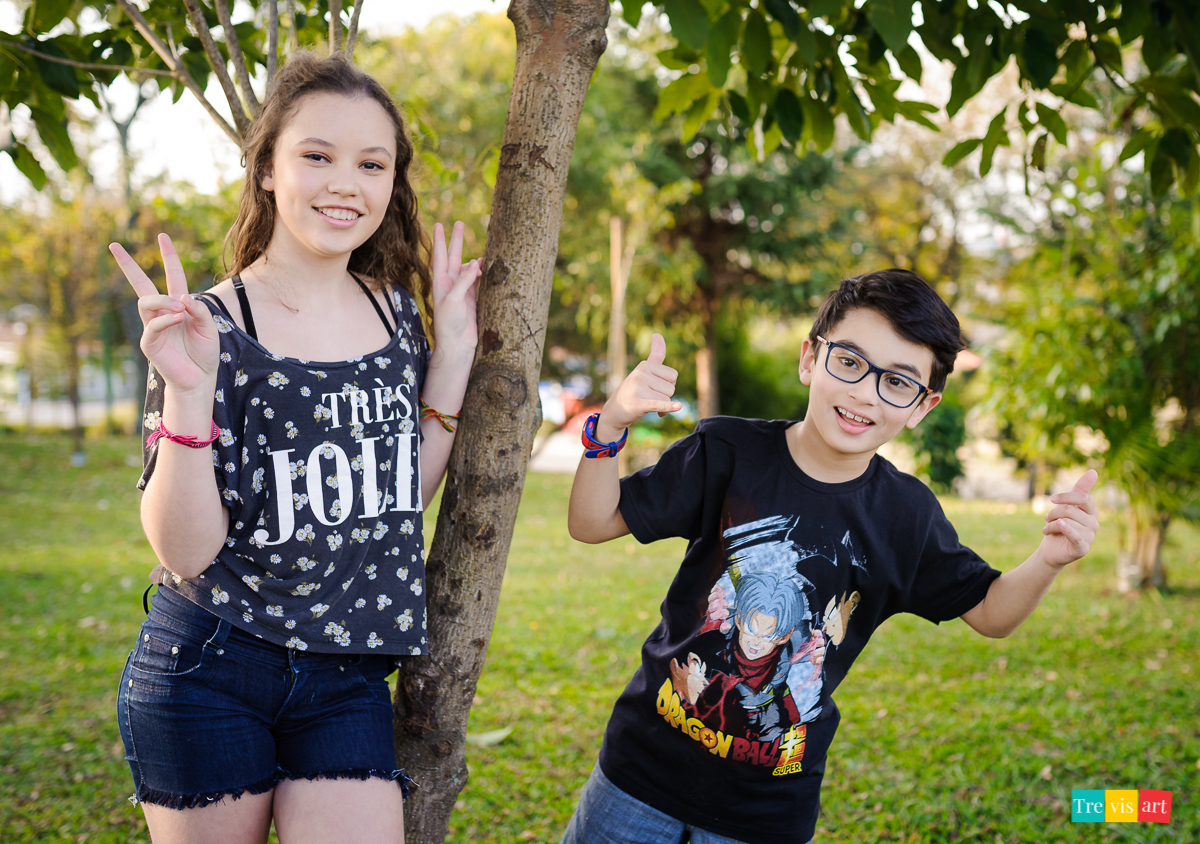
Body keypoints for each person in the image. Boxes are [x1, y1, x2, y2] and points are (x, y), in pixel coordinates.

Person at [562, 269, 1099, 844]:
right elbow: (592, 522)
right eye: (850, 361)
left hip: (764, 815)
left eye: (898, 382)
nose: (865, 392)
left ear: (922, 406)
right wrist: (610, 425)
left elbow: (990, 612)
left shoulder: (905, 516)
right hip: (637, 778)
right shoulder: (727, 452)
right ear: (809, 358)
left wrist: (1049, 559)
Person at [110, 52, 480, 844]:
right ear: (269, 170)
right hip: (211, 663)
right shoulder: (208, 325)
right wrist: (187, 387)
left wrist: (450, 352)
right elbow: (186, 549)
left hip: (343, 674)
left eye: (370, 164)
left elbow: (396, 497)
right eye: (317, 156)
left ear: (391, 183)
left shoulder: (394, 319)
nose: (345, 183)